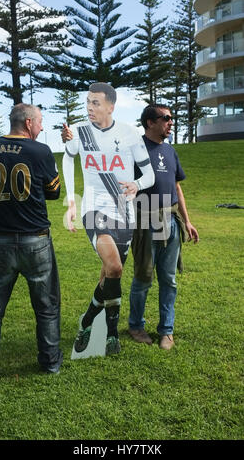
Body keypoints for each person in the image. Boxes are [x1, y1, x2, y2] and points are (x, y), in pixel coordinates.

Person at [62, 82, 155, 356]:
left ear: (111, 106)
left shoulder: (129, 134)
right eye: (88, 102)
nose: (89, 107)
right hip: (94, 209)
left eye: (96, 103)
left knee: (110, 275)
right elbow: (68, 160)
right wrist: (71, 202)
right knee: (114, 266)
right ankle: (112, 333)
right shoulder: (78, 132)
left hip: (124, 212)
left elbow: (149, 174)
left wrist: (137, 185)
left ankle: (88, 320)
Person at [0, 103, 63, 393]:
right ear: (30, 122)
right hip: (36, 239)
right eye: (41, 122)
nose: (43, 127)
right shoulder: (40, 150)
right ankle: (50, 363)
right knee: (46, 308)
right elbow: (54, 192)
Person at [128, 104, 199, 350]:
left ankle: (166, 331)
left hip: (170, 219)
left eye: (171, 117)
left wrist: (187, 221)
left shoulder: (170, 151)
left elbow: (177, 188)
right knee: (143, 278)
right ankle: (136, 325)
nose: (171, 122)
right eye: (166, 118)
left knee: (168, 279)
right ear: (150, 122)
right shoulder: (134, 150)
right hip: (145, 219)